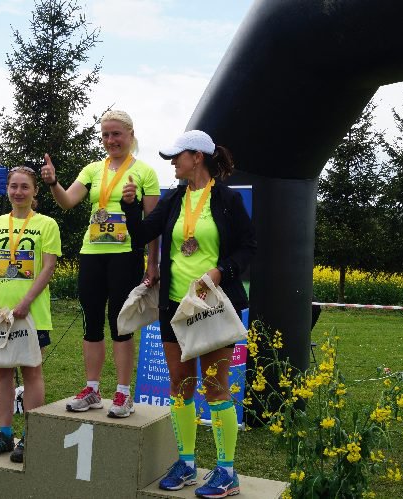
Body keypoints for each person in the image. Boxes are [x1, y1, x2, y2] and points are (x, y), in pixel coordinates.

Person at [121, 130, 256, 497]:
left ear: (197, 157)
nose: (172, 163)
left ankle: (227, 471)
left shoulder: (227, 199)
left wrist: (220, 272)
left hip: (212, 306)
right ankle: (187, 463)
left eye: (177, 157)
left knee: (215, 387)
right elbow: (141, 234)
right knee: (180, 386)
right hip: (174, 308)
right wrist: (131, 206)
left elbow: (248, 247)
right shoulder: (174, 198)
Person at [41, 110, 161, 418]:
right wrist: (53, 183)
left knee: (120, 323)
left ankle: (123, 394)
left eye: (116, 134)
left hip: (126, 254)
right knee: (91, 321)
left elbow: (153, 225)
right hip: (92, 252)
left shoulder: (145, 172)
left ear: (130, 134)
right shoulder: (93, 169)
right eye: (105, 135)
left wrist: (152, 263)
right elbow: (67, 201)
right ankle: (92, 389)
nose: (110, 140)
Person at [0, 166, 62, 463]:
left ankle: (30, 435)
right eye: (13, 186)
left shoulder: (47, 224)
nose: (18, 192)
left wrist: (25, 302)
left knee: (31, 370)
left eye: (25, 186)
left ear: (35, 190)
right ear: (7, 189)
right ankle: (4, 434)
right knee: (1, 370)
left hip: (31, 313)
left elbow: (48, 267)